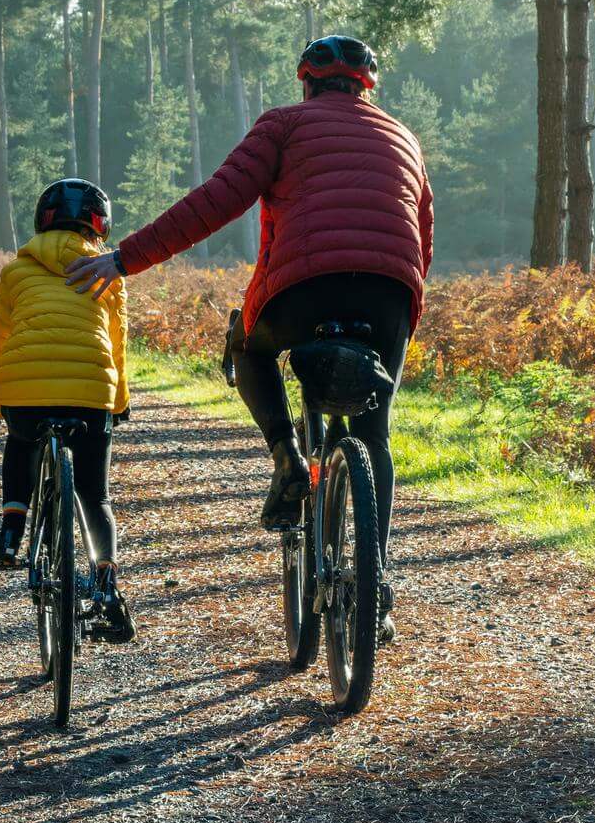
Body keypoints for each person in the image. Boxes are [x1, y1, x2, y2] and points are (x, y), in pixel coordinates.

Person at [66, 34, 431, 636]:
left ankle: (287, 457)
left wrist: (126, 258)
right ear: (367, 88)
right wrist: (402, 316)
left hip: (302, 290)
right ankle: (376, 587)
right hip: (389, 293)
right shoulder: (403, 136)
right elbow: (422, 232)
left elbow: (217, 201)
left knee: (248, 346)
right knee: (375, 433)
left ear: (306, 82)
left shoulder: (283, 124)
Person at [0, 177, 134, 643]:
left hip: (24, 390)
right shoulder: (108, 272)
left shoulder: (15, 272)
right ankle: (106, 587)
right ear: (100, 225)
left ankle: (11, 531)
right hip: (91, 394)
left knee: (21, 440)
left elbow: (1, 341)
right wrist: (119, 403)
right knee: (95, 495)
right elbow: (118, 344)